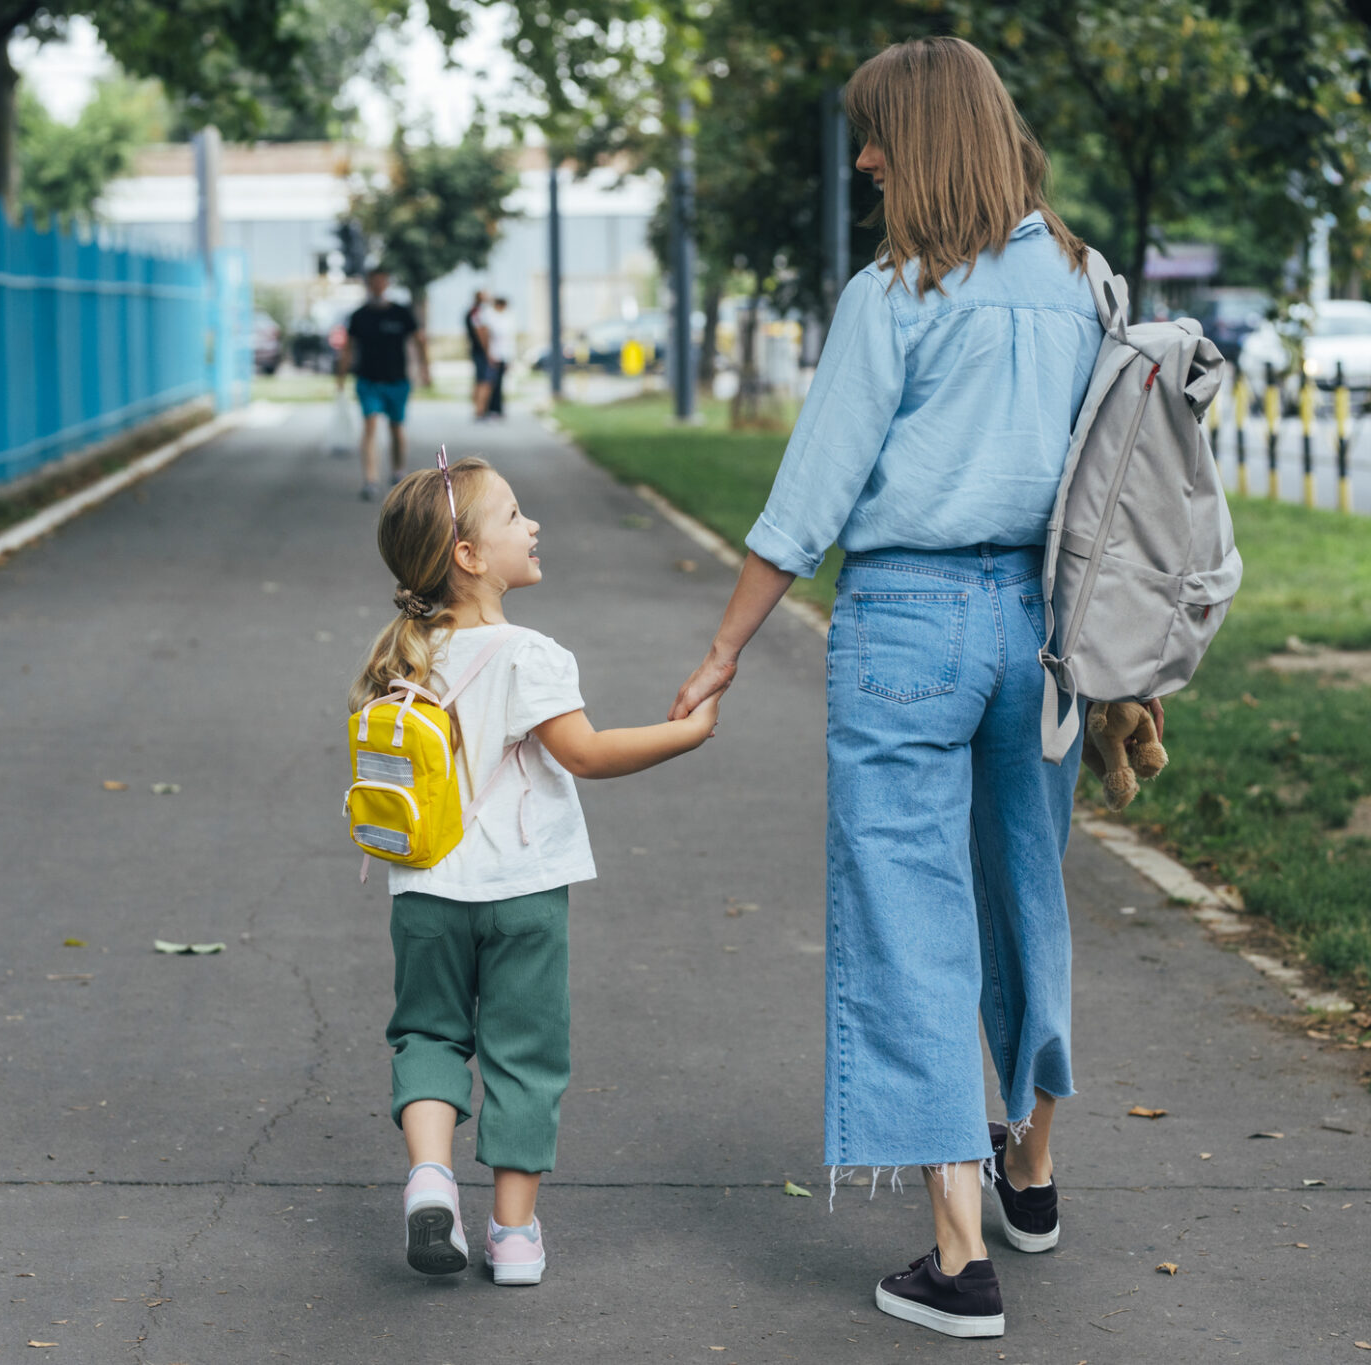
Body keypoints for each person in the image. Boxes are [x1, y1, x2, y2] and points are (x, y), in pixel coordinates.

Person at [668, 36, 1103, 1340]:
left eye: (874, 135)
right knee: (1029, 886)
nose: (862, 157)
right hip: (1043, 630)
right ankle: (1030, 1171)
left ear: (920, 142)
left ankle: (958, 1260)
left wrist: (728, 646)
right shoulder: (1084, 283)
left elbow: (810, 501)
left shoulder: (894, 295)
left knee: (911, 915)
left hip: (908, 626)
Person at [352, 454, 721, 1286]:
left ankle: (430, 1176)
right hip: (524, 895)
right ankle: (513, 1236)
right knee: (525, 1052)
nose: (534, 524)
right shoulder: (531, 654)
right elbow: (585, 754)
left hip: (426, 892)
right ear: (470, 557)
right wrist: (687, 734)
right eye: (515, 514)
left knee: (428, 1031)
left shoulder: (402, 657)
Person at [340, 269, 428, 499]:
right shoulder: (359, 316)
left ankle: (398, 471)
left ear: (387, 284)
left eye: (382, 281)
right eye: (374, 282)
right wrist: (341, 375)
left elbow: (419, 340)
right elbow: (348, 347)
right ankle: (371, 479)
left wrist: (424, 368)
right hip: (368, 380)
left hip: (397, 380)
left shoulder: (401, 313)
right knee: (369, 425)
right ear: (369, 285)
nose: (378, 286)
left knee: (396, 427)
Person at [482, 295, 517, 420]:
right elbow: (490, 338)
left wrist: (510, 358)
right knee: (492, 383)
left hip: (504, 355)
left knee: (500, 383)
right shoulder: (491, 317)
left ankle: (498, 408)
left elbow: (509, 340)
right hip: (494, 354)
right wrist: (490, 354)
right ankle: (490, 409)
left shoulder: (507, 318)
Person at [465, 290, 494, 420]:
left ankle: (478, 409)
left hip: (477, 349)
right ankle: (480, 410)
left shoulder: (471, 311)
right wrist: (488, 352)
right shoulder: (478, 312)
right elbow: (481, 332)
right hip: (482, 351)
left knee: (479, 380)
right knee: (485, 381)